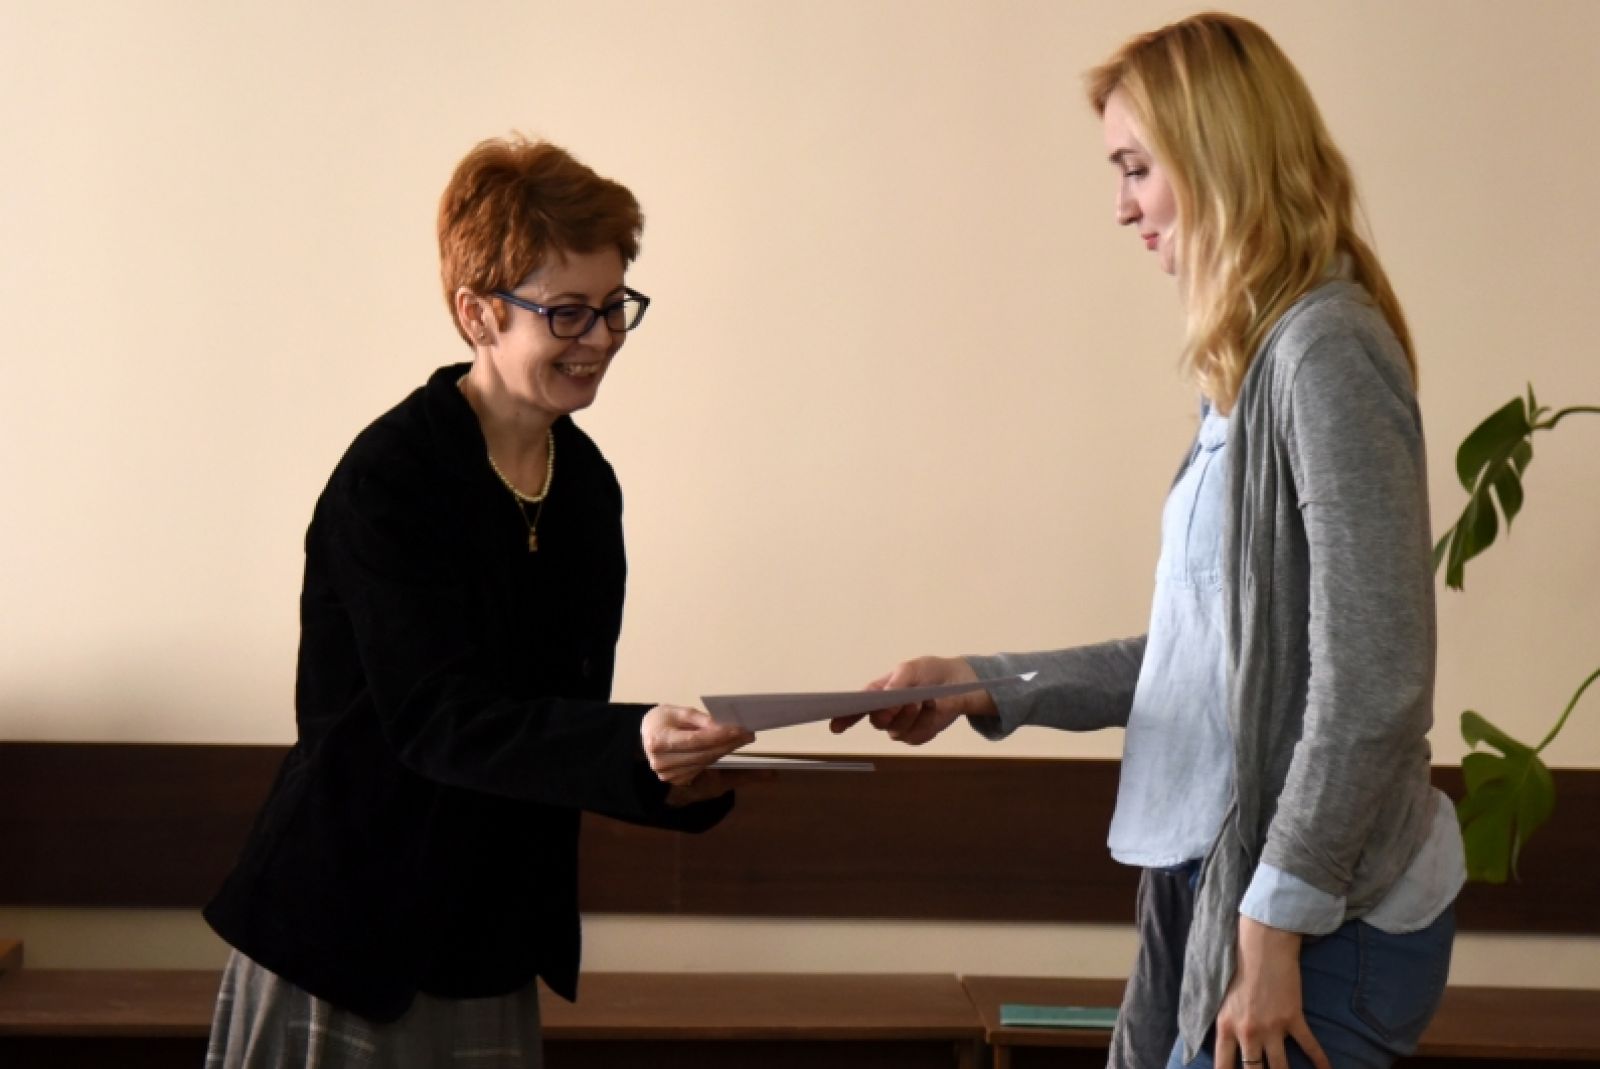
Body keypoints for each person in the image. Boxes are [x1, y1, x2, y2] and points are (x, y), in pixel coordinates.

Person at [834, 13, 1464, 1069]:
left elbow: (1375, 678)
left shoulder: (1323, 350)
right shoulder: (1247, 369)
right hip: (1238, 896)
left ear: (1217, 158)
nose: (1121, 205)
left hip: (1322, 922)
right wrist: (983, 683)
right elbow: (1207, 662)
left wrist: (1276, 923)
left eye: (1137, 167)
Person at [203, 136, 755, 1068]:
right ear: (478, 313)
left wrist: (665, 773)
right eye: (568, 312)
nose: (601, 338)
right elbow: (438, 720)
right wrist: (628, 742)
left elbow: (550, 723)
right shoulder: (391, 477)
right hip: (348, 936)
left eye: (614, 306)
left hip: (488, 942)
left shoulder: (587, 487)